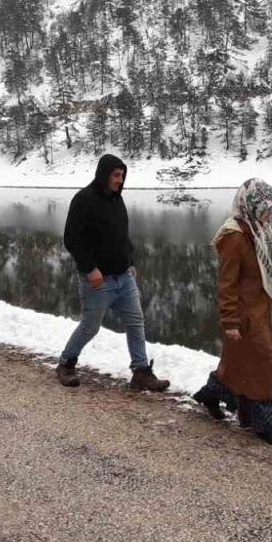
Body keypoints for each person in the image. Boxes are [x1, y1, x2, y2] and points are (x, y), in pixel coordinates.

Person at [192, 178, 272, 446]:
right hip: (244, 317)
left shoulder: (260, 232)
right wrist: (230, 322)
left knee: (236, 366)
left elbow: (269, 272)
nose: (271, 213)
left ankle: (212, 396)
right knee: (265, 365)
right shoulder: (235, 237)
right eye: (267, 207)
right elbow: (226, 285)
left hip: (260, 313)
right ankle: (264, 425)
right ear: (251, 206)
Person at [56, 154, 169, 392]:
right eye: (116, 175)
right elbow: (71, 239)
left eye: (122, 175)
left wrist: (130, 262)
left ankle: (140, 371)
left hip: (124, 278)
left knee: (136, 322)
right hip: (98, 281)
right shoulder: (84, 199)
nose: (120, 180)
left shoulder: (117, 200)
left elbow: (121, 235)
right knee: (90, 326)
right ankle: (66, 363)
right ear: (103, 174)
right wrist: (90, 268)